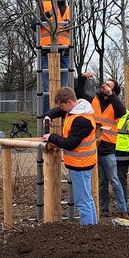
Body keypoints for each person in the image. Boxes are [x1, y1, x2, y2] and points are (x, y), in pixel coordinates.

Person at [42, 87, 98, 225]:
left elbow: (70, 143)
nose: (61, 109)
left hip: (80, 164)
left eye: (62, 105)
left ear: (68, 102)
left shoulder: (81, 120)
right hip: (82, 162)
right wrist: (48, 115)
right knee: (87, 199)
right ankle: (93, 228)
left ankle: (88, 232)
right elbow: (58, 111)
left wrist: (51, 137)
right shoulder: (76, 109)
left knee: (82, 202)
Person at [75, 72, 128, 218]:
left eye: (109, 85)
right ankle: (103, 209)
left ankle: (123, 210)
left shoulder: (115, 103)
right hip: (93, 146)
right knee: (100, 182)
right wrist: (83, 78)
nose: (105, 86)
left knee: (114, 181)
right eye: (105, 83)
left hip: (108, 148)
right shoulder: (94, 99)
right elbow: (79, 92)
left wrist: (111, 95)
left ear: (114, 91)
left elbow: (121, 112)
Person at [115, 109, 129, 211]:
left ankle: (123, 206)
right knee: (103, 181)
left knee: (121, 179)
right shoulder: (108, 113)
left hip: (121, 151)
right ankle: (104, 208)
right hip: (109, 150)